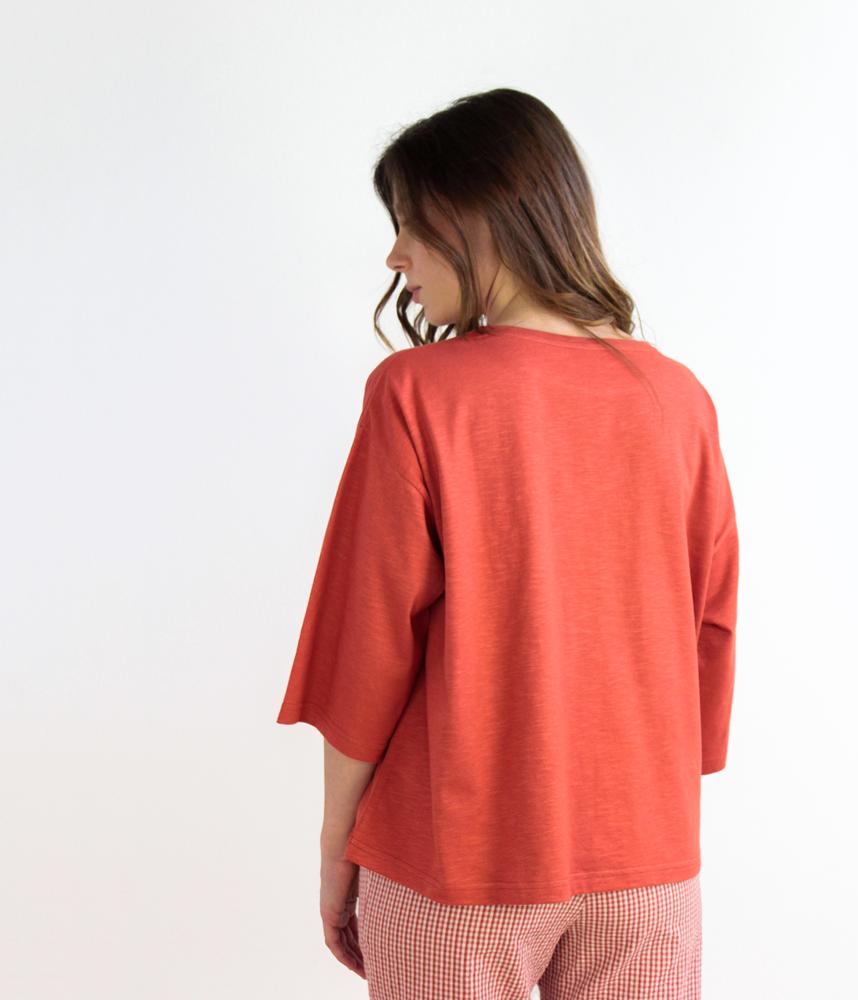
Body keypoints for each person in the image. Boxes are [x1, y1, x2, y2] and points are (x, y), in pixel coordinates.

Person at [276, 87, 739, 999]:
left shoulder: (418, 394)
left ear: (477, 215)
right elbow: (709, 629)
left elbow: (367, 646)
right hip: (647, 862)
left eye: (409, 224)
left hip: (455, 861)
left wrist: (337, 845)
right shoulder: (678, 399)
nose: (395, 256)